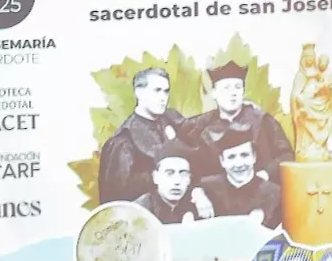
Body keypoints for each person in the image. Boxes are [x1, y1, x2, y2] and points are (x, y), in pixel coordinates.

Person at [182, 60, 294, 180]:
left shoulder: (262, 121)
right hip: (217, 194)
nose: (233, 93)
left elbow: (286, 155)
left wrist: (266, 173)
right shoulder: (203, 124)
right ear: (214, 93)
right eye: (227, 88)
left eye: (237, 87)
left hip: (258, 191)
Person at [98, 68, 188, 204]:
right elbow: (117, 194)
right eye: (157, 90)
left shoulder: (172, 120)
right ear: (139, 93)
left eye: (166, 91)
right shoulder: (123, 141)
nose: (163, 97)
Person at [199, 128, 283, 228]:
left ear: (254, 157)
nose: (239, 164)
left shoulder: (274, 193)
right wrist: (198, 195)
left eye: (244, 155)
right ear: (222, 161)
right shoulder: (209, 187)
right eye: (231, 157)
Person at [133, 139, 202, 224]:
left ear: (189, 179)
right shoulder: (140, 211)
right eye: (169, 173)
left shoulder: (196, 203)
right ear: (156, 177)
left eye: (183, 174)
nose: (177, 181)